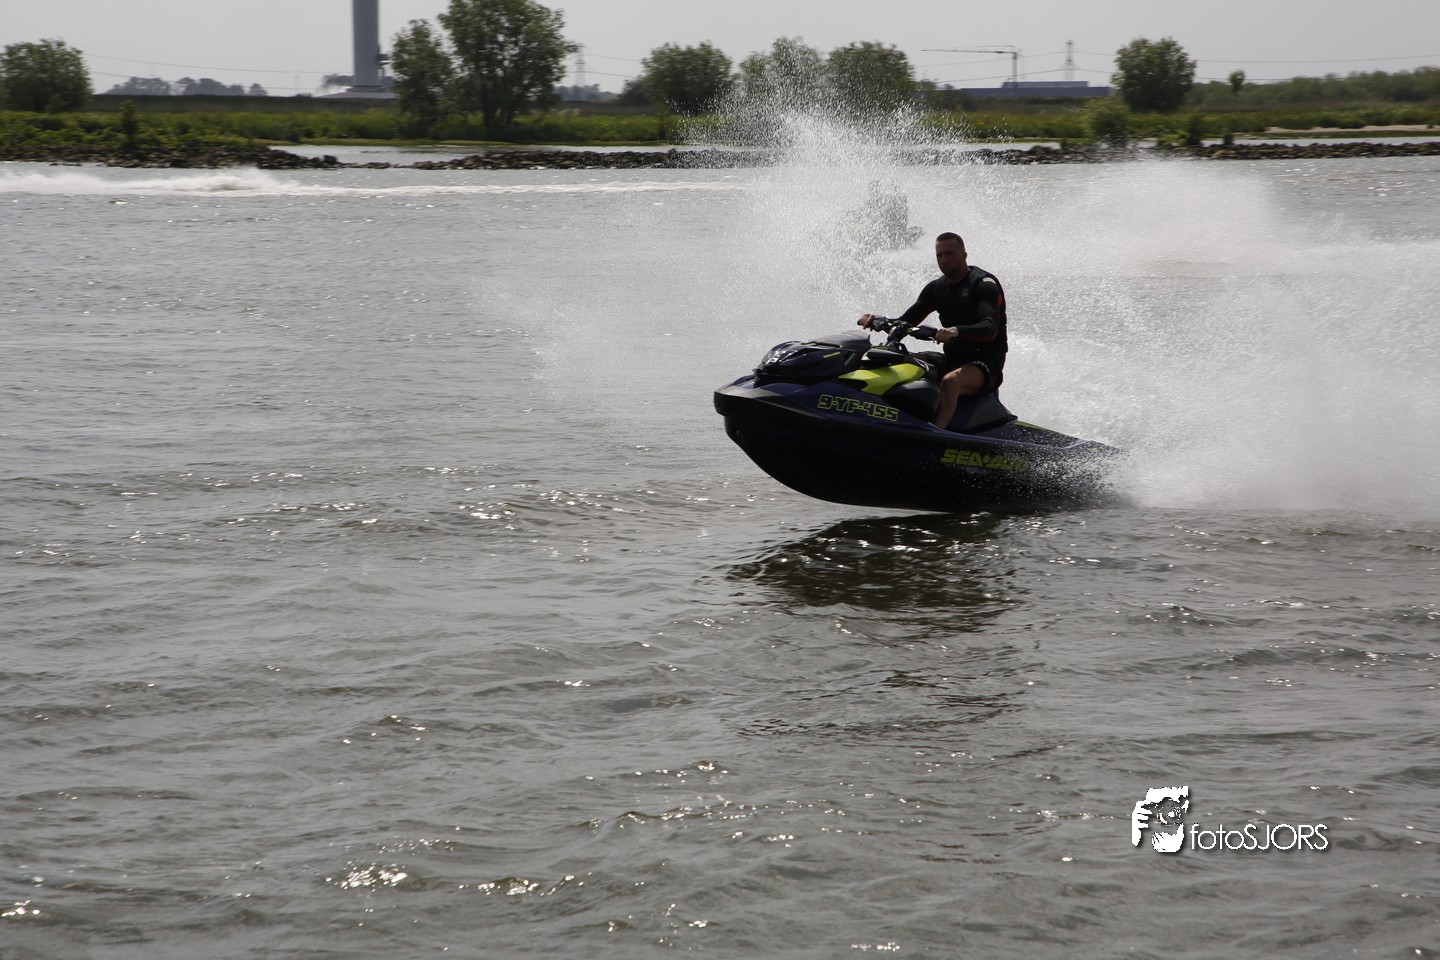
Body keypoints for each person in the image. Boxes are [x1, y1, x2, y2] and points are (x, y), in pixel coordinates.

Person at [858, 232, 1007, 430]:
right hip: (952, 360)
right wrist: (877, 320)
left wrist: (954, 331)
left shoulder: (984, 285)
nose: (943, 260)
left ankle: (937, 434)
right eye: (939, 255)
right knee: (899, 361)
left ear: (964, 255)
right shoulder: (937, 288)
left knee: (950, 381)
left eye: (949, 254)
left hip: (986, 365)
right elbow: (904, 324)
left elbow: (990, 329)